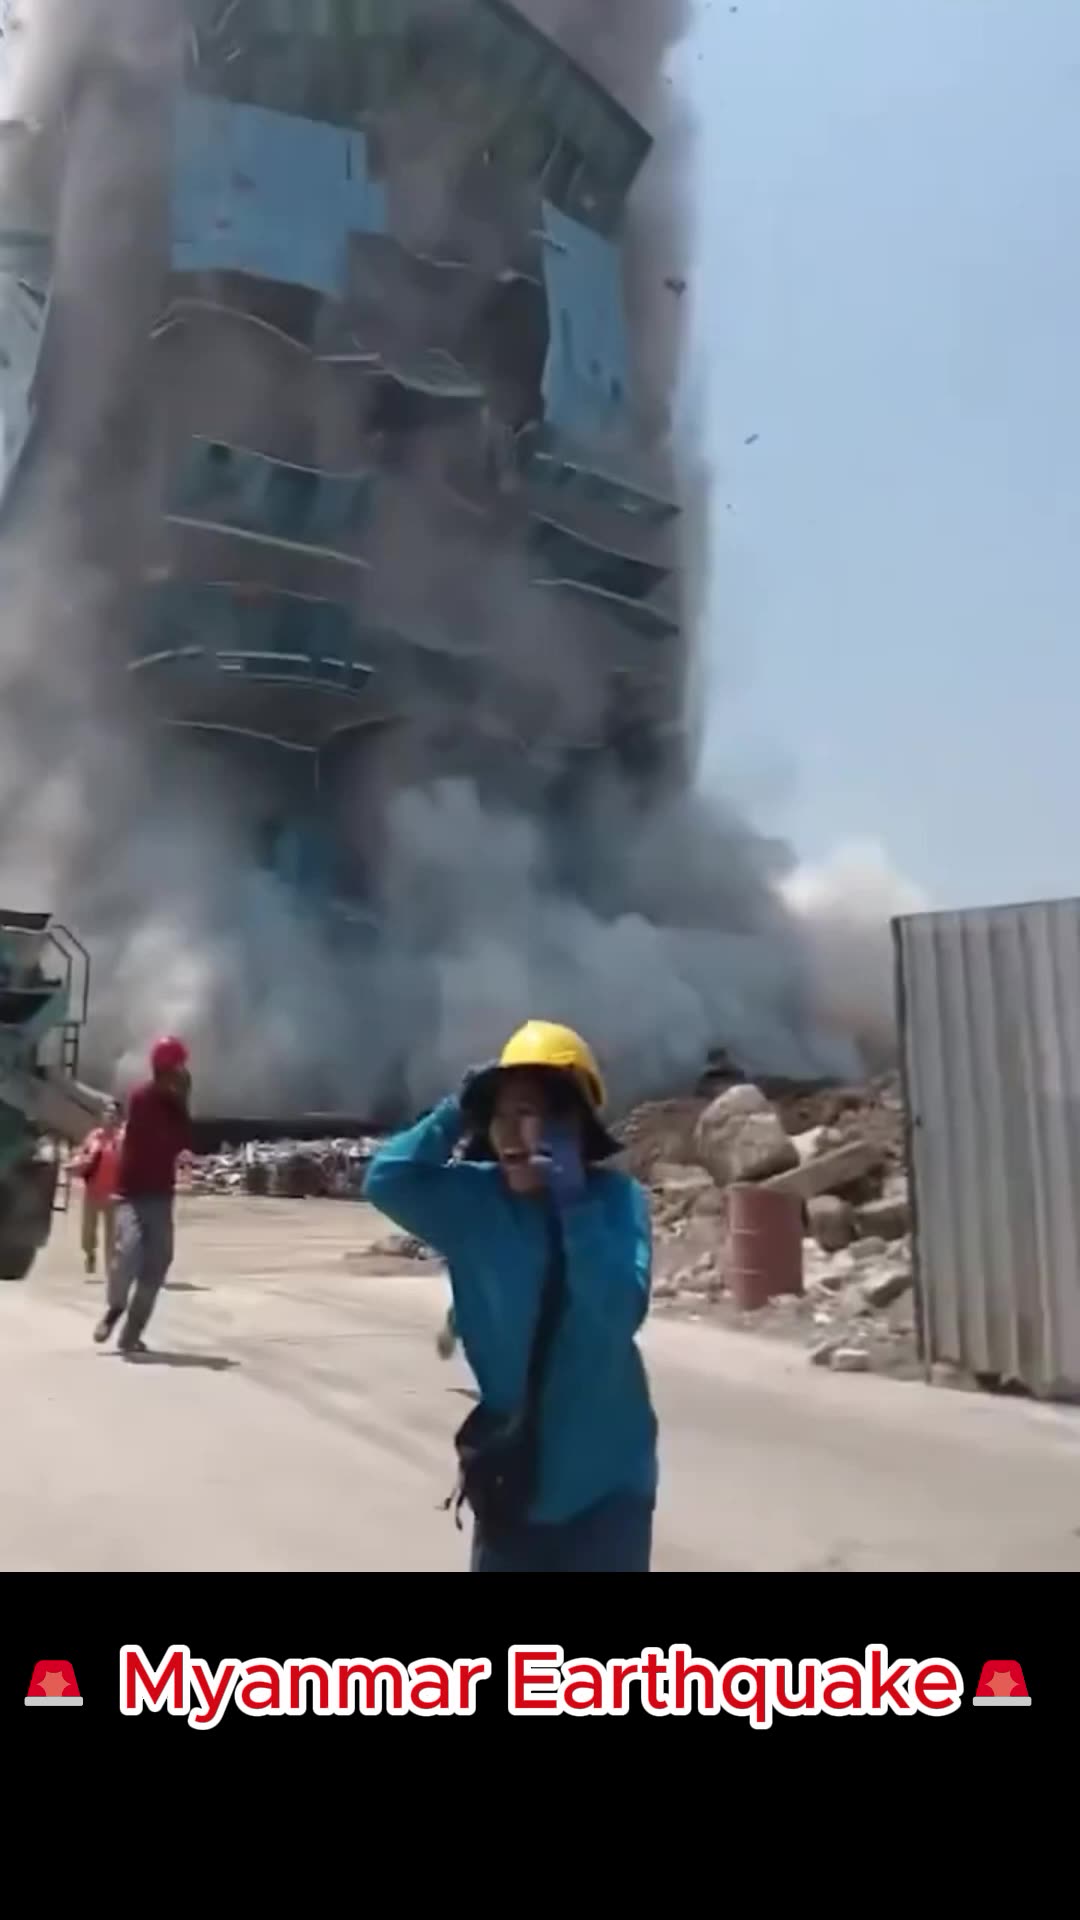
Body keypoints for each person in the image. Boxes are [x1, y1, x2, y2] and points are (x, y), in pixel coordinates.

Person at [364, 1020, 657, 1573]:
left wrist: (575, 1211)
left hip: (607, 1491)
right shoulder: (475, 1202)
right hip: (513, 1483)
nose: (509, 1132)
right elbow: (387, 1179)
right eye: (498, 1116)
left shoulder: (617, 1203)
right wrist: (456, 1110)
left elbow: (620, 1312)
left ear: (572, 1122)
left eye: (528, 1112)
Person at [93, 1036, 192, 1356]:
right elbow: (155, 1137)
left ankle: (131, 1334)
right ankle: (114, 1310)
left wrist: (182, 1104)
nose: (181, 1075)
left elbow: (182, 1140)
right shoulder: (141, 1099)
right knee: (128, 1254)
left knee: (158, 1262)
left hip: (161, 1195)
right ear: (164, 1070)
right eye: (177, 1069)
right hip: (132, 1194)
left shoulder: (175, 1105)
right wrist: (176, 1103)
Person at [72, 1100, 123, 1280]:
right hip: (92, 1192)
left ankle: (111, 1271)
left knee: (112, 1236)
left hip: (114, 1195)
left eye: (113, 1113)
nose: (110, 1116)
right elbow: (82, 1154)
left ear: (118, 1117)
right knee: (88, 1233)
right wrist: (77, 1163)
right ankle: (90, 1253)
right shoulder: (93, 1137)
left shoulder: (122, 1139)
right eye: (107, 1112)